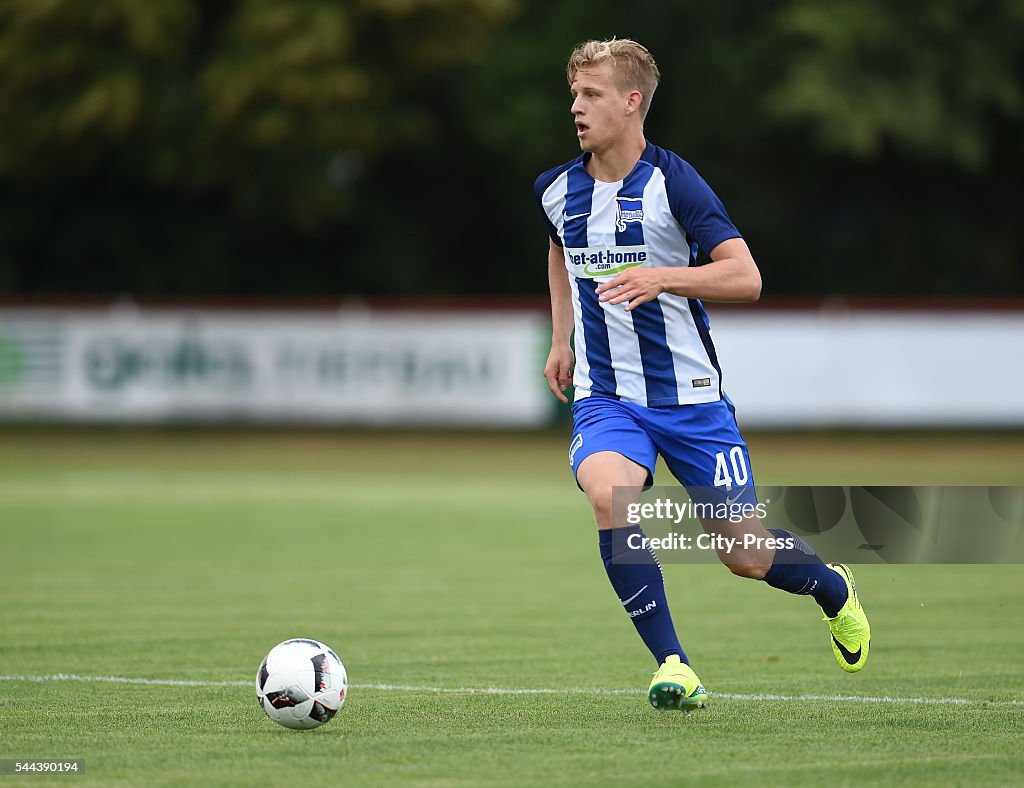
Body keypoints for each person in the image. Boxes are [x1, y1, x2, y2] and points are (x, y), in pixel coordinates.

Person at [533, 38, 870, 712]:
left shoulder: (673, 184)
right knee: (610, 497)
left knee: (744, 555)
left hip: (691, 402)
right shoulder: (554, 189)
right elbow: (559, 252)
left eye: (591, 94)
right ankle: (674, 665)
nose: (576, 107)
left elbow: (746, 276)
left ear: (631, 103)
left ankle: (833, 589)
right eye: (574, 94)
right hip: (608, 397)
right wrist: (561, 335)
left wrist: (665, 276)